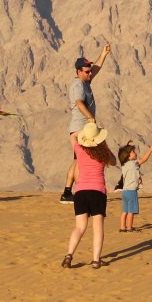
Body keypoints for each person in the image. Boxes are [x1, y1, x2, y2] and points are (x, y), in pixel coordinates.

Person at [60, 43, 112, 204]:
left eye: (90, 71)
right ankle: (69, 192)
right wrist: (90, 118)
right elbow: (79, 103)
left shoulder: (85, 81)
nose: (90, 74)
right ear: (78, 72)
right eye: (87, 71)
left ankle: (69, 192)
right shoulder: (77, 85)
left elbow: (95, 69)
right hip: (79, 129)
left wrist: (103, 54)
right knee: (80, 161)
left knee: (78, 160)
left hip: (83, 129)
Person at [62, 121, 116, 270]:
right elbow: (114, 161)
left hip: (80, 192)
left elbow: (73, 136)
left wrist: (85, 133)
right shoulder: (103, 152)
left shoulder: (79, 149)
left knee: (79, 227)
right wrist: (102, 143)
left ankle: (69, 255)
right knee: (97, 228)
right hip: (97, 192)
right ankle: (95, 260)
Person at [116, 139, 152, 231]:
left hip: (125, 192)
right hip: (131, 192)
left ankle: (122, 227)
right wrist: (150, 150)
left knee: (124, 211)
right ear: (128, 156)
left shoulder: (124, 165)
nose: (135, 153)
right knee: (131, 212)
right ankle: (129, 227)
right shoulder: (133, 163)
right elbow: (143, 160)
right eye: (133, 152)